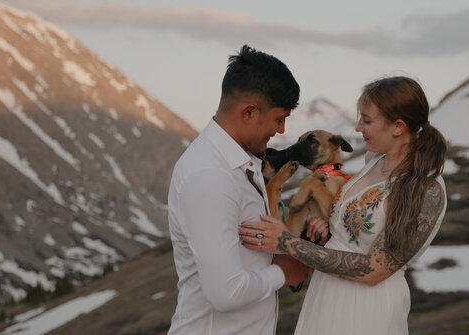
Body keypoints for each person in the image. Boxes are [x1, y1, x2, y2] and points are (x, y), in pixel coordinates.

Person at [239, 76, 448, 334]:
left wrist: (288, 243)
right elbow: (359, 228)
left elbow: (374, 270)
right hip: (327, 293)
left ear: (398, 127)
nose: (358, 127)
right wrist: (330, 225)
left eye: (368, 121)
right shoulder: (375, 159)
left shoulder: (425, 190)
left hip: (365, 309)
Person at [167, 45, 310, 335]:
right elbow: (225, 292)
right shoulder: (209, 175)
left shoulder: (239, 163)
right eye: (279, 118)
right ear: (248, 112)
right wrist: (284, 272)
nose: (281, 130)